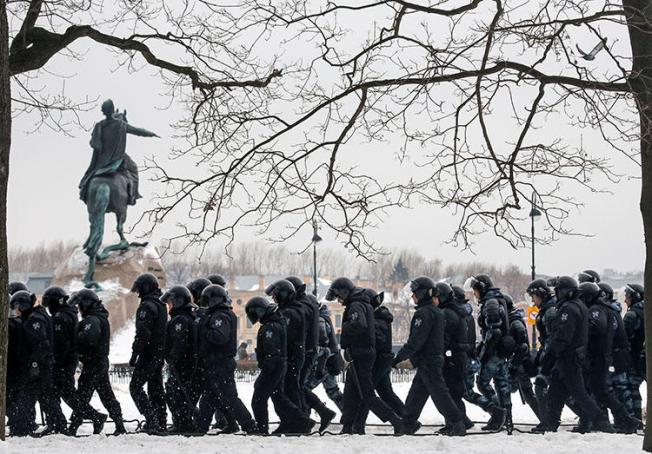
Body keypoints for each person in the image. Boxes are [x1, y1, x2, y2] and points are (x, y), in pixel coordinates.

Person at [326, 277, 403, 435]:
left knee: (367, 394)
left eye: (339, 297)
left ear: (344, 292)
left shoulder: (356, 305)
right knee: (350, 393)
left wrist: (345, 327)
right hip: (359, 352)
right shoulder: (360, 303)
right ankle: (348, 426)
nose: (339, 301)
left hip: (361, 353)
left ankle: (396, 421)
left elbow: (359, 325)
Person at [391, 277, 466, 436]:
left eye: (414, 293)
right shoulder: (436, 312)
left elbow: (416, 341)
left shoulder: (423, 314)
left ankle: (457, 423)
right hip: (430, 359)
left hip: (429, 361)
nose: (412, 296)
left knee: (440, 395)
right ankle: (408, 423)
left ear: (422, 293)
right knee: (416, 394)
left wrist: (398, 358)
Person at [541, 276, 613, 433]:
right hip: (568, 358)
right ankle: (551, 423)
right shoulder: (578, 306)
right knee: (555, 392)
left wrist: (550, 356)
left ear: (566, 292)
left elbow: (562, 337)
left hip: (569, 358)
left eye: (558, 291)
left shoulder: (569, 309)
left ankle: (602, 422)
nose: (556, 295)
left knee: (580, 394)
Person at [42, 286, 108, 435]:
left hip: (63, 361)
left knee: (55, 394)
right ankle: (93, 417)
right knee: (67, 394)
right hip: (69, 360)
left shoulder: (60, 317)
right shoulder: (70, 313)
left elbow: (62, 343)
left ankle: (58, 423)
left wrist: (56, 362)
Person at [246, 297, 314, 435]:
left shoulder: (270, 326)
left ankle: (262, 428)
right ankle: (303, 420)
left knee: (258, 399)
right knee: (279, 397)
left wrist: (266, 369)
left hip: (273, 366)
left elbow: (272, 352)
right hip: (279, 365)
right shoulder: (276, 322)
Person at [195, 285, 257, 434]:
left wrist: (203, 328)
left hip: (220, 363)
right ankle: (200, 427)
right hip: (216, 363)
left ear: (213, 300)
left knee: (229, 398)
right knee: (209, 397)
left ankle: (249, 425)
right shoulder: (220, 314)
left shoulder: (220, 316)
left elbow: (220, 337)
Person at [577, 282, 638, 433]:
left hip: (599, 357)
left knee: (597, 391)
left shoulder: (597, 310)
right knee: (597, 391)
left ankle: (622, 421)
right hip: (604, 356)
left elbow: (597, 327)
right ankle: (623, 420)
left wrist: (582, 331)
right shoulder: (609, 309)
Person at [9, 290, 69, 436]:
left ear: (22, 306)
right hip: (44, 365)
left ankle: (21, 428)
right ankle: (59, 424)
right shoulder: (39, 315)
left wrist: (34, 364)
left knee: (26, 397)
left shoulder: (33, 320)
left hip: (38, 366)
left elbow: (41, 344)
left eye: (16, 307)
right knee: (47, 396)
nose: (15, 311)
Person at [79, 99, 159, 205]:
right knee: (133, 168)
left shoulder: (99, 125)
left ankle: (84, 190)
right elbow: (138, 131)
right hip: (117, 160)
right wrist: (151, 133)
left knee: (89, 177)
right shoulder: (121, 124)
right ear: (112, 110)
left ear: (103, 112)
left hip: (100, 161)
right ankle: (133, 195)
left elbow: (93, 143)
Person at [68, 289, 126, 435]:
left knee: (82, 395)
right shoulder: (98, 317)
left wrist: (75, 338)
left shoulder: (92, 320)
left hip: (93, 363)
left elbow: (88, 338)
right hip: (99, 362)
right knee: (106, 395)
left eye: (80, 305)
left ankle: (75, 425)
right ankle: (119, 424)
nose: (79, 309)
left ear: (86, 304)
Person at [286, 276, 335, 432]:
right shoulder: (309, 304)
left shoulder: (304, 306)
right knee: (298, 386)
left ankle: (309, 417)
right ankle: (316, 414)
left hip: (305, 351)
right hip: (308, 351)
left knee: (296, 386)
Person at [352, 289, 405, 433]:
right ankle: (407, 419)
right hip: (383, 361)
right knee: (386, 394)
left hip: (379, 362)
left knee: (366, 394)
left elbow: (377, 341)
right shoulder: (380, 318)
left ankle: (359, 425)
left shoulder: (378, 320)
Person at [468, 274, 513, 432]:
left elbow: (494, 331)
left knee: (483, 383)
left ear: (482, 288)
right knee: (502, 385)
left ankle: (498, 416)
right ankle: (507, 419)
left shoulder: (490, 303)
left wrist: (484, 350)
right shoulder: (494, 300)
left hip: (494, 351)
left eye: (475, 290)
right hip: (500, 351)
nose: (474, 294)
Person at [129, 273, 168, 433]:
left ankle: (152, 420)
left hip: (149, 354)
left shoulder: (147, 306)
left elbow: (143, 333)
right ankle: (160, 420)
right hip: (158, 353)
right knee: (155, 389)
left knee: (135, 387)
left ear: (145, 288)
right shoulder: (160, 304)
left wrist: (135, 354)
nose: (138, 294)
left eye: (139, 290)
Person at [265, 280, 307, 420]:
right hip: (295, 353)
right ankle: (297, 419)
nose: (273, 298)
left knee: (290, 389)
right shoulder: (294, 309)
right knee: (292, 388)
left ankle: (296, 421)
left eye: (275, 295)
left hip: (292, 354)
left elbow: (284, 335)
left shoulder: (289, 312)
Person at [162, 286, 196, 434]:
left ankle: (182, 424)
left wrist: (171, 358)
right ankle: (182, 422)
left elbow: (179, 342)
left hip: (182, 364)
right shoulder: (185, 317)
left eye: (171, 302)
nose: (169, 305)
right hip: (184, 363)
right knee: (177, 393)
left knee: (177, 394)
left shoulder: (180, 320)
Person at [438, 283, 472, 433]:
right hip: (457, 357)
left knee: (453, 393)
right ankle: (458, 422)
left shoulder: (448, 314)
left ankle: (457, 424)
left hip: (453, 358)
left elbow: (444, 338)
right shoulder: (455, 311)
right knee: (453, 392)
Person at [526, 278, 557, 433]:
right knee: (564, 392)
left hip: (553, 358)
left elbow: (552, 339)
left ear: (540, 294)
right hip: (551, 355)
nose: (532, 300)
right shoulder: (547, 309)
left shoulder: (550, 312)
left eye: (533, 296)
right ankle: (549, 422)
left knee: (540, 386)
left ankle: (547, 422)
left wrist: (546, 359)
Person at [599, 283, 634, 423]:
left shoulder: (608, 313)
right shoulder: (613, 311)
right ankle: (627, 420)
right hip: (618, 356)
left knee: (618, 391)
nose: (625, 300)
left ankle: (627, 421)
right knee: (619, 391)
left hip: (616, 357)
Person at [504, 294, 540, 425]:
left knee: (522, 393)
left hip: (520, 364)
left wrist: (513, 365)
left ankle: (505, 420)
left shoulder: (515, 322)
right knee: (525, 394)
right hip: (517, 363)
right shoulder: (512, 320)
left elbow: (523, 346)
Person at [308, 302, 345, 411]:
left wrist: (319, 366)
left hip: (322, 363)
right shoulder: (324, 318)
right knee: (333, 391)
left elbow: (323, 345)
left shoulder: (319, 320)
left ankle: (305, 417)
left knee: (304, 390)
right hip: (330, 361)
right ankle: (350, 416)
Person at [623, 283, 645, 425]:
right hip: (644, 357)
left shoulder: (632, 315)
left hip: (635, 358)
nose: (625, 300)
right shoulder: (646, 311)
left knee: (631, 389)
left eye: (627, 296)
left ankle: (635, 419)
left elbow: (623, 337)